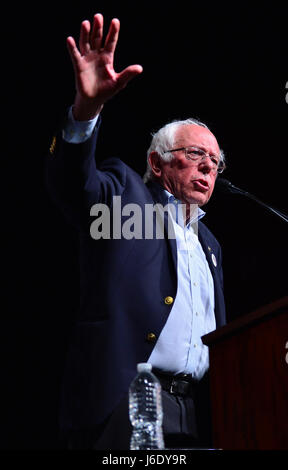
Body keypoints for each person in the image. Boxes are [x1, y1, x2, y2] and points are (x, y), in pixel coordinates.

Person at [46, 13, 226, 450]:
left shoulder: (211, 244)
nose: (208, 167)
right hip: (127, 403)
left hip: (201, 411)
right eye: (196, 154)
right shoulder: (126, 200)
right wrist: (85, 110)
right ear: (157, 163)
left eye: (216, 162)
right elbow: (74, 184)